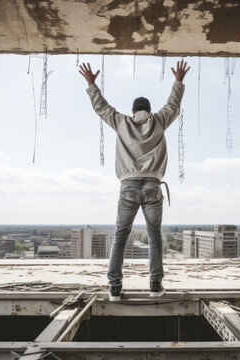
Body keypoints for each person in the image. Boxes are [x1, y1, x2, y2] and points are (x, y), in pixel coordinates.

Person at [79, 59, 190, 301]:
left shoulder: (122, 122)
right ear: (149, 111)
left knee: (120, 235)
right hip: (152, 186)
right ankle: (155, 285)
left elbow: (101, 107)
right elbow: (173, 104)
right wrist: (178, 81)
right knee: (154, 236)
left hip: (128, 186)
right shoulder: (159, 121)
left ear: (132, 111)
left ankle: (115, 288)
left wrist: (91, 84)